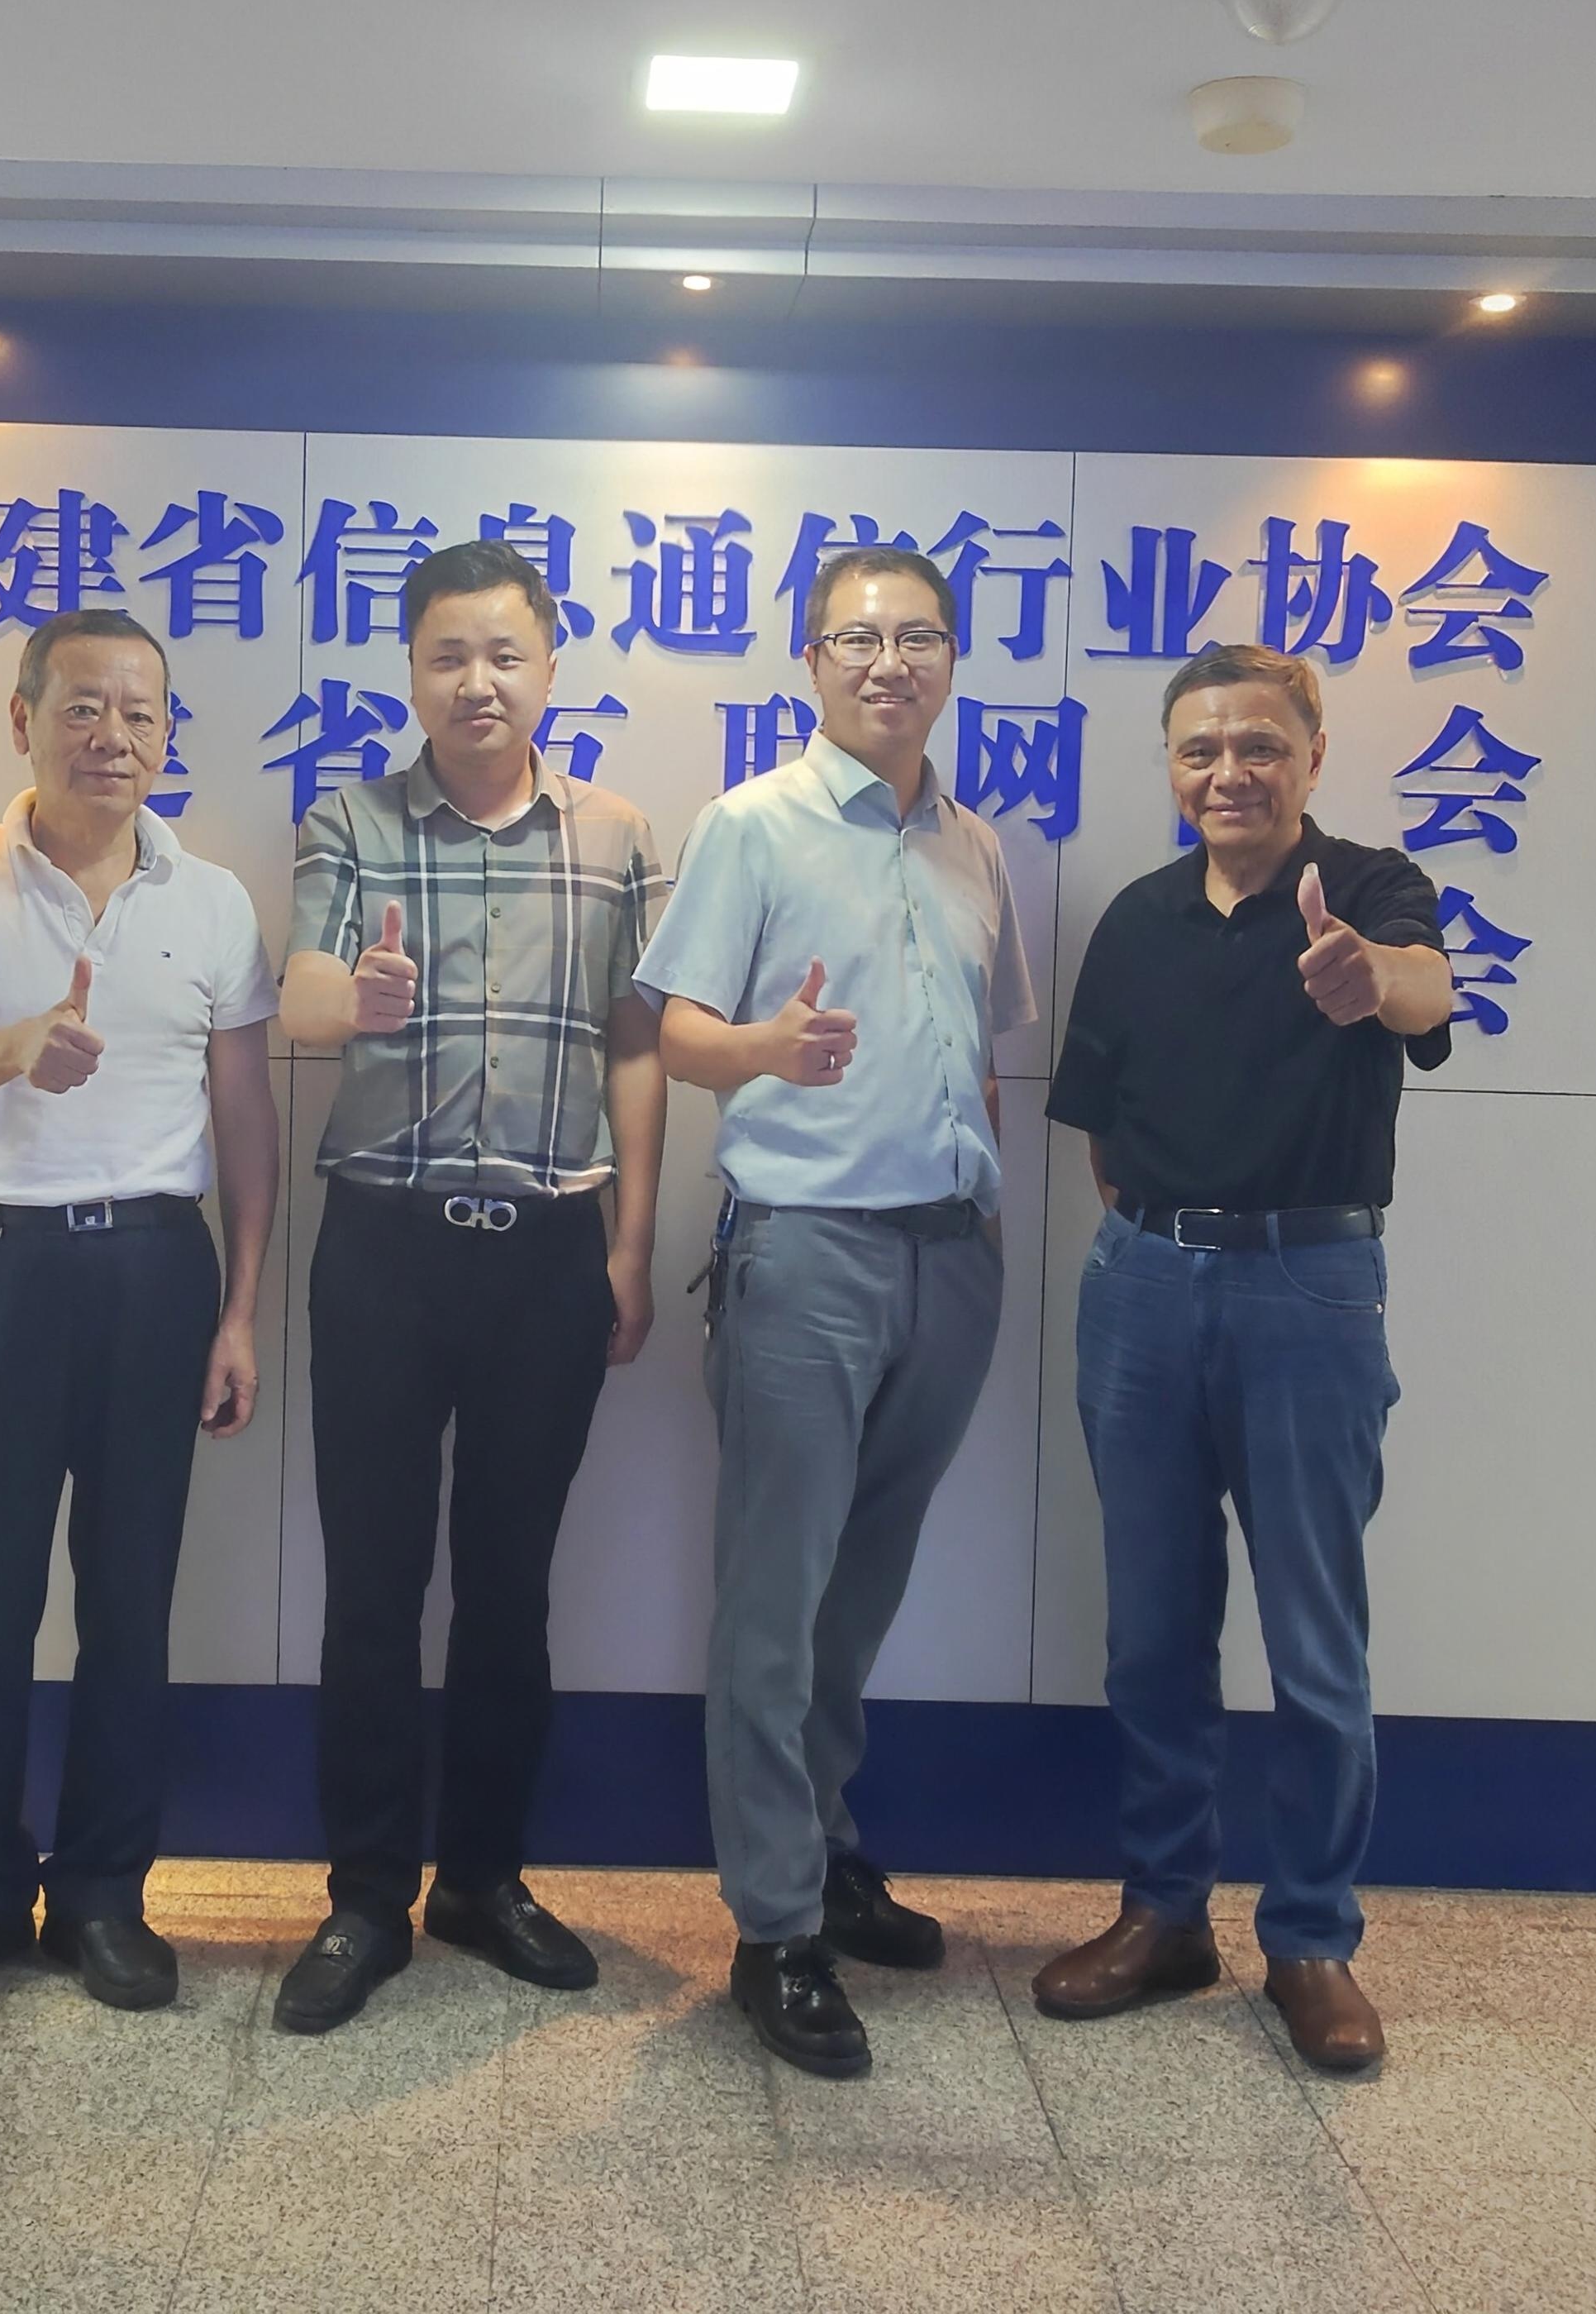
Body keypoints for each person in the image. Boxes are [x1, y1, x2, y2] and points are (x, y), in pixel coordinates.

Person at [633, 545, 1035, 2080]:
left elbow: (982, 1052)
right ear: (811, 660)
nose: (889, 664)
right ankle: (776, 1927)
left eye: (918, 638)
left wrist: (981, 1211)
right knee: (775, 1597)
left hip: (949, 1258)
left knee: (860, 1590)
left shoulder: (975, 845)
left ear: (952, 661)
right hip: (805, 1256)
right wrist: (765, 1052)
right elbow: (671, 1033)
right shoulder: (753, 823)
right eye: (858, 639)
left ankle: (826, 1849)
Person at [1028, 639, 1454, 2074]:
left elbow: (1427, 990)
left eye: (1260, 746)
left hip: (1309, 1286)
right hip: (1144, 1283)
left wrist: (1367, 979)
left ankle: (1313, 1939)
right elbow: (1102, 1130)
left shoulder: (1370, 889)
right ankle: (1164, 1916)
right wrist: (1165, 1241)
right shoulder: (1139, 920)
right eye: (1202, 750)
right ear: (1172, 766)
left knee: (1315, 1636)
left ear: (1311, 757)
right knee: (1153, 1632)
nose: (1230, 773)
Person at [268, 538, 668, 2035]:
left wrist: (630, 1245)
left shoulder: (616, 835)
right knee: (372, 1586)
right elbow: (302, 993)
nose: (477, 682)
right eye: (448, 656)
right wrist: (355, 995)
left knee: (512, 1585)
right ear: (412, 672)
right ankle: (368, 1896)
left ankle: (484, 1881)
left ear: (551, 668)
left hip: (552, 1250)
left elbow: (637, 1042)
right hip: (383, 1247)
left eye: (505, 654)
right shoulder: (351, 818)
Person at [0, 607, 280, 2018]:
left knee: (131, 1601)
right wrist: (16, 1047)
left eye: (140, 714)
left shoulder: (211, 900)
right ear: (23, 719)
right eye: (84, 708)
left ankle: (105, 1895)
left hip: (155, 1273)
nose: (114, 736)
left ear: (166, 735)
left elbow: (245, 1115)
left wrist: (240, 1310)